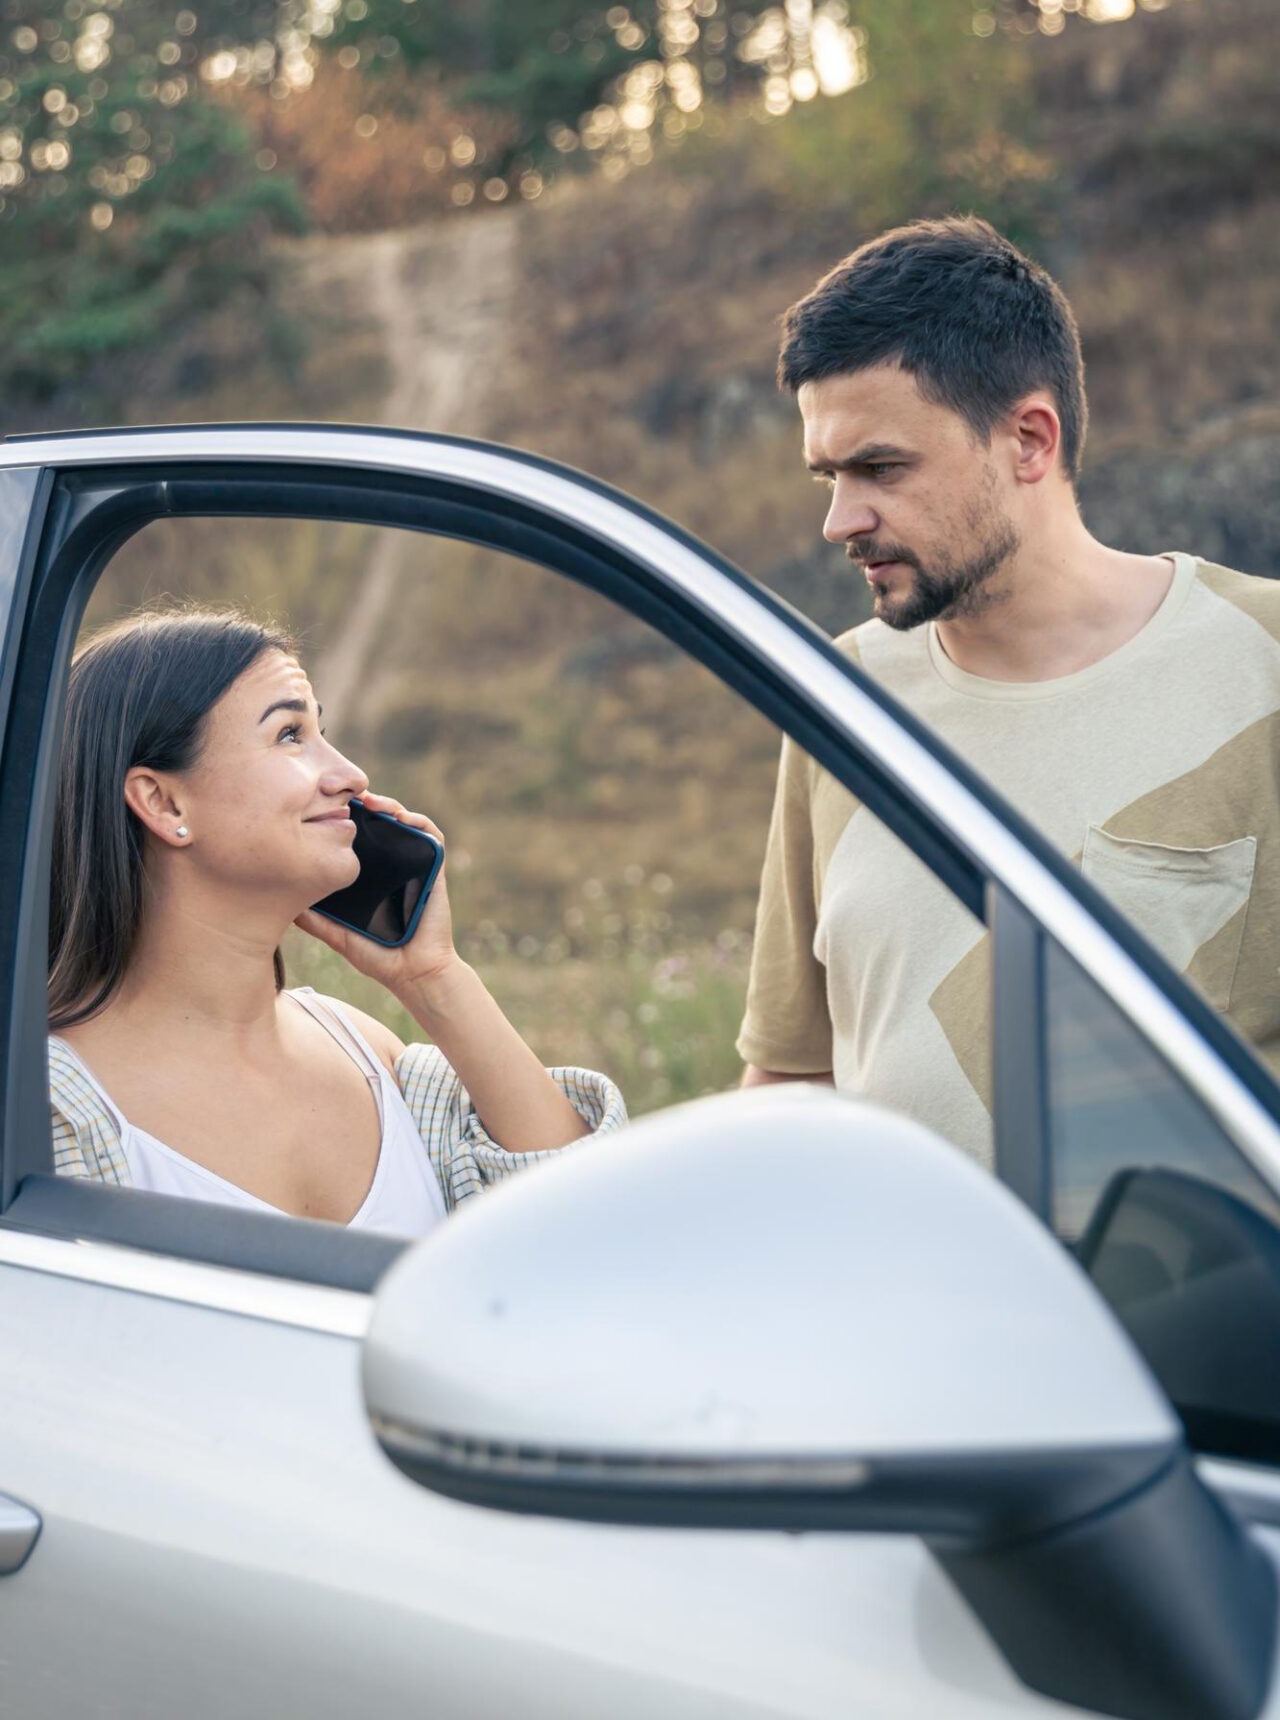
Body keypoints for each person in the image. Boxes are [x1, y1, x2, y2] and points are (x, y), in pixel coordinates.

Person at [737, 216, 1279, 1166]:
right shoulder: (839, 699)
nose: (839, 520)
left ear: (1029, 439)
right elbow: (790, 1081)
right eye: (828, 475)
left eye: (880, 468)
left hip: (1178, 1313)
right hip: (896, 1307)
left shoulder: (1261, 661)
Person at [48, 606, 626, 1237]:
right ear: (163, 801)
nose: (351, 775)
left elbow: (583, 1226)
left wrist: (434, 978)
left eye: (323, 731)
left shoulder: (367, 1053)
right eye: (291, 735)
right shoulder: (56, 1108)